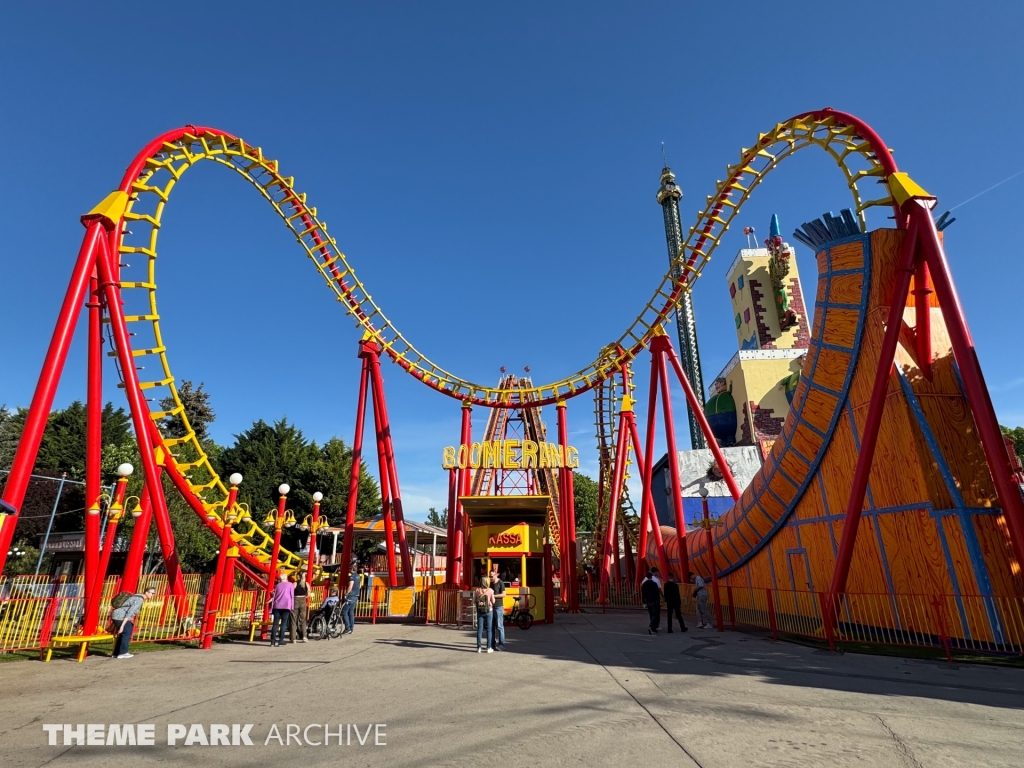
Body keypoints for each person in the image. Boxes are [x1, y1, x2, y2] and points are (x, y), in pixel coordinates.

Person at [110, 586, 156, 659]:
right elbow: (130, 612)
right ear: (146, 592)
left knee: (124, 633)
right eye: (152, 593)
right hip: (120, 616)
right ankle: (123, 653)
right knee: (126, 633)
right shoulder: (139, 599)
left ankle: (116, 653)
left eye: (154, 593)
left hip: (117, 615)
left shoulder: (137, 595)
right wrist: (122, 626)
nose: (153, 595)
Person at [269, 572, 294, 647]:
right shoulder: (290, 584)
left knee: (275, 624)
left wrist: (272, 607)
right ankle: (281, 640)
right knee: (283, 624)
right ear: (286, 579)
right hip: (286, 606)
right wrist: (292, 607)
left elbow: (274, 596)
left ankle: (272, 641)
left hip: (277, 606)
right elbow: (292, 596)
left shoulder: (277, 585)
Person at [474, 576, 494, 653]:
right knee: (489, 630)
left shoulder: (477, 590)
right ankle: (489, 647)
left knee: (480, 629)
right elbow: (493, 601)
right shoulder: (490, 590)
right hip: (489, 611)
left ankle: (479, 647)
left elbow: (474, 601)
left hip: (480, 611)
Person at [489, 564, 506, 651]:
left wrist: (494, 596)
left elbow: (504, 594)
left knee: (499, 626)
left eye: (492, 575)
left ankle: (501, 644)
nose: (491, 577)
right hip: (491, 607)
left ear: (496, 574)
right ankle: (492, 644)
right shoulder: (491, 584)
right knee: (491, 626)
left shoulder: (501, 583)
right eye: (490, 576)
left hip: (499, 606)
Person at [340, 561, 359, 636]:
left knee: (344, 612)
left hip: (351, 595)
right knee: (351, 612)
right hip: (356, 595)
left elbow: (350, 586)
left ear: (351, 569)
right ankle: (351, 628)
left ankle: (347, 628)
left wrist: (346, 593)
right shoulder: (358, 576)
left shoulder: (352, 577)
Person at [640, 570, 661, 634]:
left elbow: (643, 593)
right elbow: (657, 593)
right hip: (654, 600)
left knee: (651, 614)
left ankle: (653, 628)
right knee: (655, 614)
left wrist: (643, 601)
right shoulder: (654, 584)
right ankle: (651, 626)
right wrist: (659, 601)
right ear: (651, 577)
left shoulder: (644, 584)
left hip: (648, 600)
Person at [291, 573, 310, 643]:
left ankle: (293, 638)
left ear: (297, 576)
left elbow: (291, 592)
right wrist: (304, 597)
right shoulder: (306, 584)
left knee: (293, 619)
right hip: (303, 600)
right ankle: (304, 636)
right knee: (303, 619)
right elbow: (309, 594)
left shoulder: (295, 584)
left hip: (295, 600)